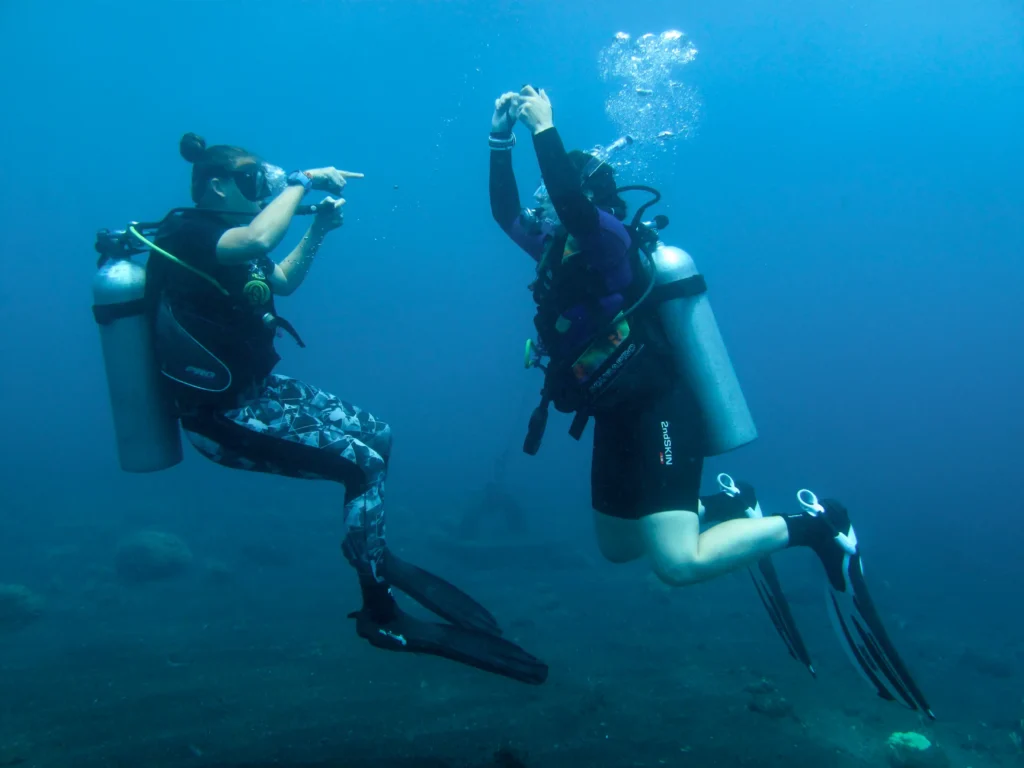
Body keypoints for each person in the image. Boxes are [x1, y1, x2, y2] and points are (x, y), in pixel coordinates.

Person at [487, 88, 932, 714]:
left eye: (557, 196)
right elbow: (505, 211)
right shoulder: (557, 247)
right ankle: (728, 505)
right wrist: (499, 138)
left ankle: (819, 528)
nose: (546, 210)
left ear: (588, 197)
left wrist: (544, 129)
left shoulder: (607, 240)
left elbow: (570, 203)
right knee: (619, 547)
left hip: (660, 412)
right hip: (613, 415)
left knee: (676, 564)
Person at [143, 132, 546, 685]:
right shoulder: (189, 232)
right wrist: (300, 181)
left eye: (261, 180)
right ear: (215, 186)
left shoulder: (229, 238)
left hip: (258, 389)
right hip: (219, 417)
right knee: (361, 464)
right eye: (252, 180)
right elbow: (259, 236)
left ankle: (373, 552)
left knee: (378, 433)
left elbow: (281, 281)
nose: (261, 190)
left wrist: (318, 230)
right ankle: (380, 612)